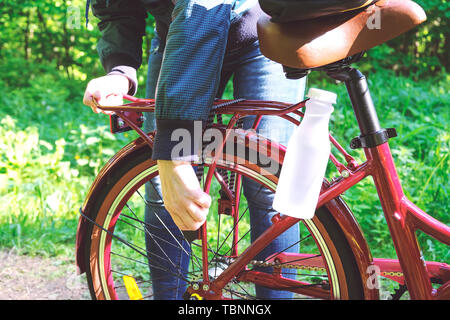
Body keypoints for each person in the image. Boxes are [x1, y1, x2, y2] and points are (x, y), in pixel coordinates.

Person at [83, 0, 306, 300]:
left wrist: (173, 151)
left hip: (264, 34)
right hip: (177, 33)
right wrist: (119, 70)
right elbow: (117, 8)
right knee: (163, 189)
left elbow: (204, 4)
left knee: (268, 180)